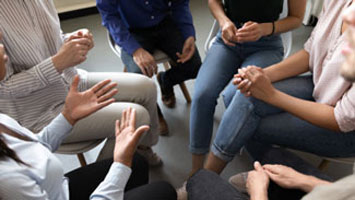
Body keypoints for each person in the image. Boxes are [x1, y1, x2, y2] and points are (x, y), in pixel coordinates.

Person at [187, 1, 355, 199]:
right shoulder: (339, 3)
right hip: (321, 85)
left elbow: (341, 119)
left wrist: (271, 95)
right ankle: (261, 171)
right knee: (244, 95)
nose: (348, 16)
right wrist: (262, 75)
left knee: (244, 121)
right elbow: (311, 52)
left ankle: (208, 177)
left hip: (344, 129)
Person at [0, 39, 177, 199]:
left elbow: (35, 146)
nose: (3, 44)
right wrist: (120, 164)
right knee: (164, 190)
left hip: (57, 189)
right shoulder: (6, 181)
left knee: (138, 164)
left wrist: (68, 117)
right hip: (55, 191)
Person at [0, 0, 162, 166]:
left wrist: (73, 39)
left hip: (71, 81)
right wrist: (57, 63)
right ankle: (101, 181)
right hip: (40, 113)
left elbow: (54, 40)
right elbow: (3, 87)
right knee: (137, 117)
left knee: (146, 87)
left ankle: (139, 149)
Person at [189, 0, 306, 176]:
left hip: (265, 45)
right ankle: (196, 169)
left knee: (236, 95)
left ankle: (228, 152)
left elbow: (296, 18)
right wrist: (224, 21)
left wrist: (265, 28)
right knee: (202, 95)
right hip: (228, 40)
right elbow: (213, 1)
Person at [96, 0, 202, 111]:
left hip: (164, 22)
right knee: (138, 77)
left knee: (195, 66)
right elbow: (109, 16)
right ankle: (155, 112)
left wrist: (188, 33)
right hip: (132, 31)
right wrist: (135, 49)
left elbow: (180, 3)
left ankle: (165, 80)